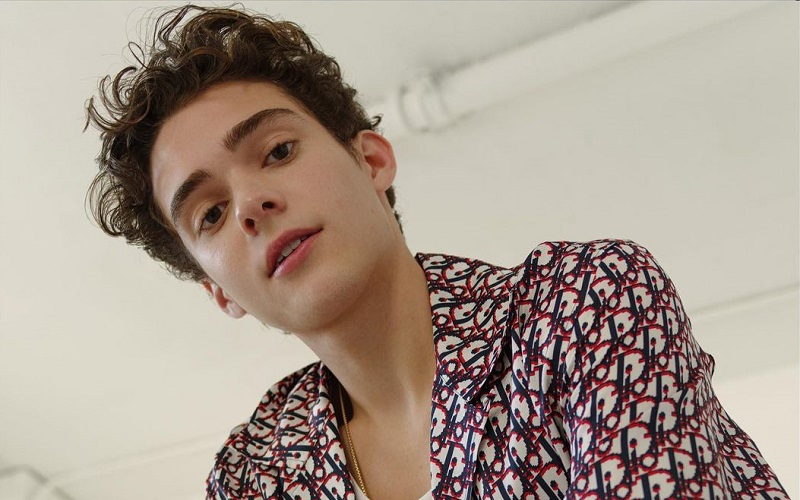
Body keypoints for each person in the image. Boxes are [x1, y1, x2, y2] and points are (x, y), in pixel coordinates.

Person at [85, 5, 789, 500]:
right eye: (209, 214)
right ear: (219, 292)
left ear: (371, 160)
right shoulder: (254, 477)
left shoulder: (584, 301)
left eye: (277, 152)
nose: (249, 205)